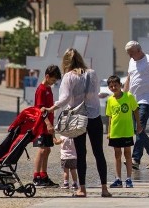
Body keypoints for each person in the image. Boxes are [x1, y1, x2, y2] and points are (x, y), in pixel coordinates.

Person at [42, 48, 111, 198]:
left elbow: (65, 98)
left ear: (66, 62)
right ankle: (105, 189)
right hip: (94, 117)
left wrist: (51, 107)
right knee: (99, 152)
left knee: (81, 153)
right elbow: (96, 92)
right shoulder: (92, 73)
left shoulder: (68, 76)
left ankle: (82, 189)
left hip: (78, 119)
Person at [123, 40, 149, 171]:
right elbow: (129, 79)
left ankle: (135, 159)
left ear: (139, 51)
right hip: (132, 100)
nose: (130, 56)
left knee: (139, 128)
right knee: (136, 129)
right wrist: (123, 96)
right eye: (128, 54)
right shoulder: (131, 62)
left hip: (146, 100)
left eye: (131, 53)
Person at [105, 75, 140, 189]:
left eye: (115, 85)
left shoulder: (129, 96)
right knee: (117, 155)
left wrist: (138, 124)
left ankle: (129, 179)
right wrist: (109, 132)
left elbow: (135, 110)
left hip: (127, 131)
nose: (114, 87)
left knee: (127, 154)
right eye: (111, 86)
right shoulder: (110, 100)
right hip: (115, 132)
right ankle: (118, 179)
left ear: (120, 85)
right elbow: (110, 117)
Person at [32, 65, 61, 187]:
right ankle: (36, 176)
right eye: (53, 80)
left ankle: (44, 175)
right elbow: (40, 109)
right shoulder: (41, 89)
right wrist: (48, 123)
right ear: (47, 76)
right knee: (42, 149)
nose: (54, 83)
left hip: (48, 125)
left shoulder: (48, 89)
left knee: (47, 150)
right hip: (42, 125)